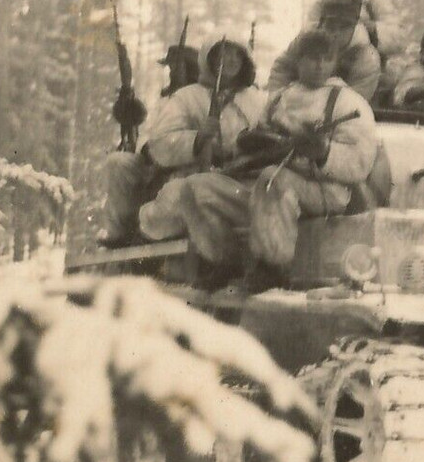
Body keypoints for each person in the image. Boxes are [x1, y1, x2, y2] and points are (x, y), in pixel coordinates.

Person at [180, 30, 379, 290]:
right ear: (298, 61)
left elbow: (360, 163)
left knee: (273, 180)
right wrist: (246, 142)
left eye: (326, 59)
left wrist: (323, 152)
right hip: (269, 187)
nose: (319, 66)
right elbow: (252, 144)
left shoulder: (348, 103)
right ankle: (226, 261)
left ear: (334, 62)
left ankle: (272, 268)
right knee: (197, 187)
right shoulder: (278, 99)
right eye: (311, 58)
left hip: (324, 190)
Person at [136, 36, 264, 243]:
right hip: (193, 174)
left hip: (243, 179)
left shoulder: (258, 99)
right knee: (175, 202)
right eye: (224, 53)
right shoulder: (187, 97)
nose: (231, 60)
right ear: (210, 58)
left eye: (237, 54)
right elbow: (160, 142)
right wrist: (198, 139)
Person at [97, 43, 201, 246]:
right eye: (170, 68)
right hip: (151, 161)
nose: (171, 73)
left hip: (181, 165)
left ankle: (156, 229)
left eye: (176, 68)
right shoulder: (165, 100)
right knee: (117, 163)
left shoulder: (198, 100)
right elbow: (148, 133)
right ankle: (120, 231)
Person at [269, 0, 383, 103]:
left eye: (344, 27)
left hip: (338, 115)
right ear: (321, 24)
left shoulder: (367, 59)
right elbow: (281, 69)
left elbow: (357, 102)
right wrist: (277, 103)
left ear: (354, 28)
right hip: (296, 106)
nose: (336, 33)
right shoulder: (306, 40)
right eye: (331, 26)